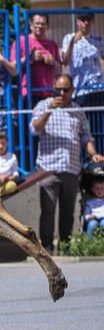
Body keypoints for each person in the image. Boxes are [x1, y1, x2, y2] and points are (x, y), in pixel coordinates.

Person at [30, 74, 104, 251]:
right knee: (47, 211)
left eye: (65, 90)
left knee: (68, 212)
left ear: (72, 91)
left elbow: (86, 136)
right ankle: (46, 247)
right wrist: (48, 111)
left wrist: (93, 154)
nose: (61, 93)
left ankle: (65, 246)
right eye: (58, 89)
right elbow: (34, 130)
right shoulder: (42, 106)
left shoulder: (78, 110)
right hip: (48, 169)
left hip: (71, 169)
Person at [13, 13, 60, 103]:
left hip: (48, 94)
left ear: (47, 26)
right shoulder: (21, 41)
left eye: (43, 24)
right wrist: (30, 58)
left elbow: (60, 70)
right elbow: (13, 66)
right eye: (37, 23)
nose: (40, 26)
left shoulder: (52, 44)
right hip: (28, 94)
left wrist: (53, 62)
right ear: (31, 25)